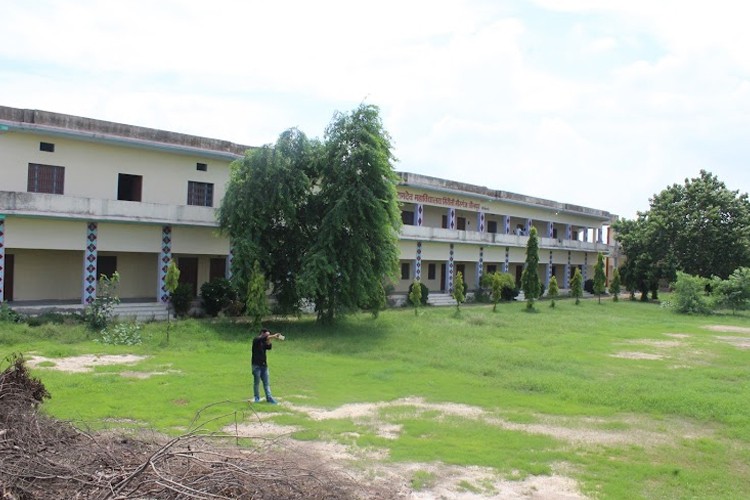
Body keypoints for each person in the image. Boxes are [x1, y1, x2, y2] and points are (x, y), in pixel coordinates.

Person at [251, 328, 283, 404]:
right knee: (257, 383)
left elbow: (269, 347)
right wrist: (273, 336)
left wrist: (271, 339)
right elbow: (263, 338)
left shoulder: (264, 342)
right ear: (262, 333)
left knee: (266, 383)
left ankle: (269, 398)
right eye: (266, 335)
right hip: (256, 366)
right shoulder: (256, 340)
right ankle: (256, 398)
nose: (268, 336)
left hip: (264, 366)